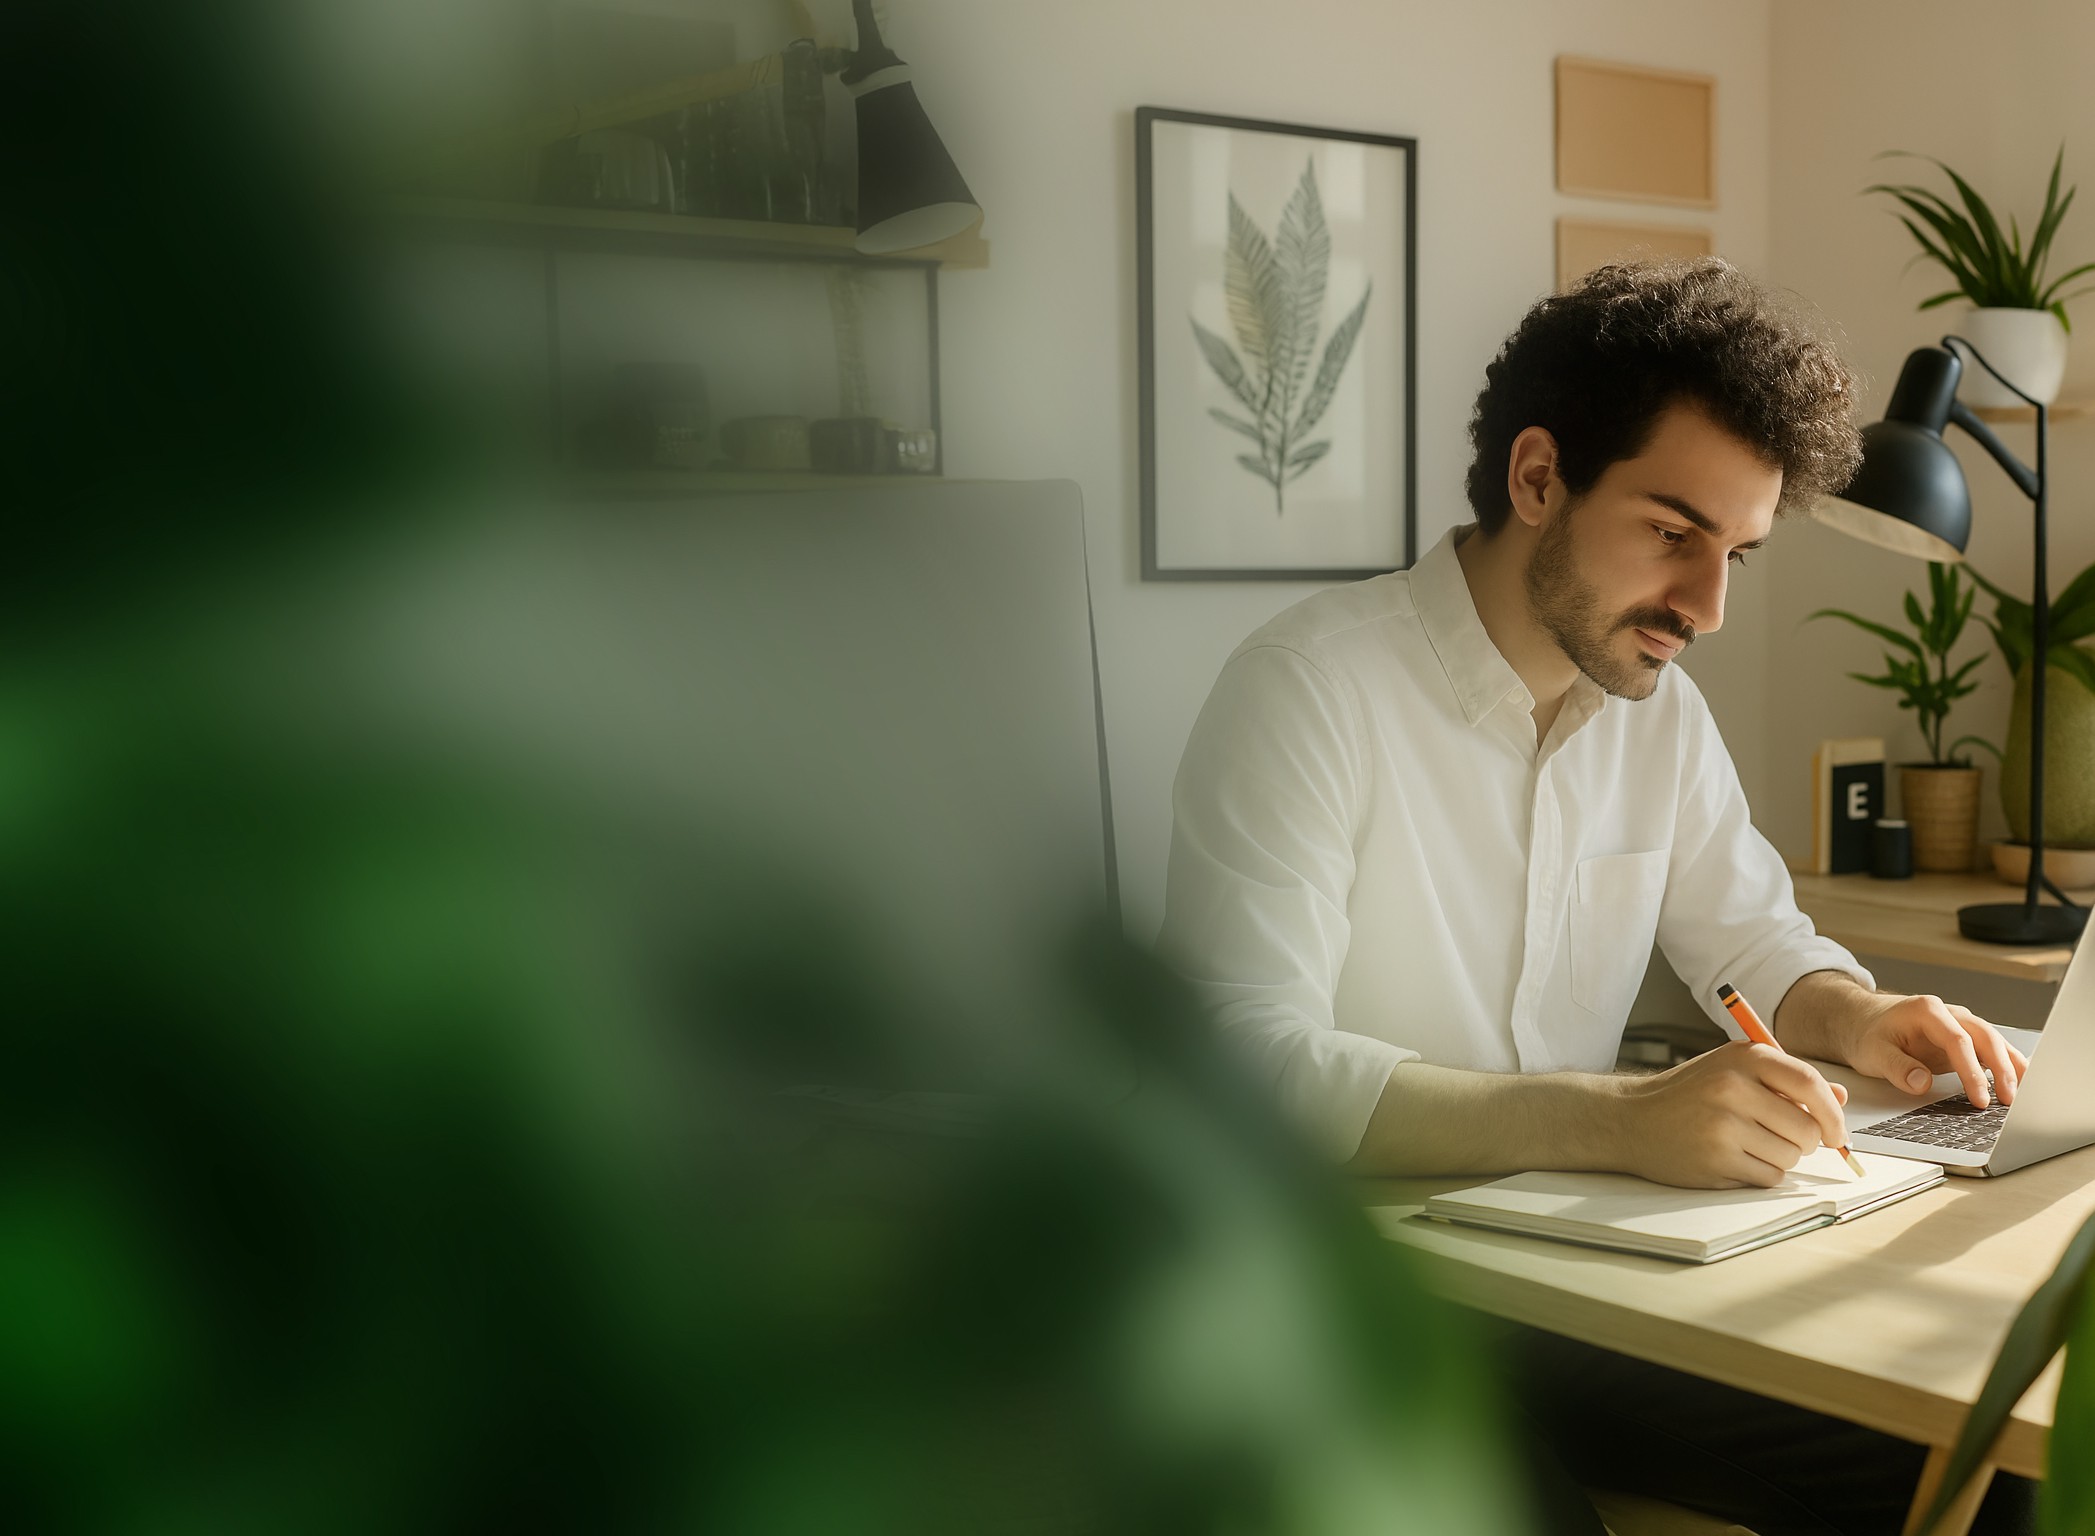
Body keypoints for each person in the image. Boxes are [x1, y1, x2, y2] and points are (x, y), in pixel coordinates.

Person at [1157, 260, 2035, 1535]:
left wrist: (1853, 1015)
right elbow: (1243, 1075)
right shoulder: (1307, 690)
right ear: (1535, 479)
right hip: (1344, 1317)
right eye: (1674, 535)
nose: (1710, 606)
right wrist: (1618, 1122)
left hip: (1582, 1298)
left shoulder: (1655, 711)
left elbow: (1752, 939)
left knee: (1980, 1479)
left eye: (1736, 552)